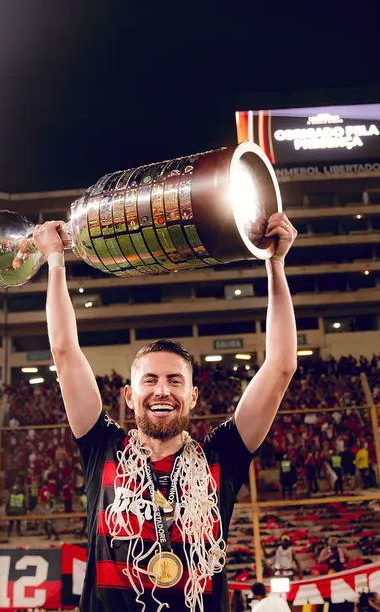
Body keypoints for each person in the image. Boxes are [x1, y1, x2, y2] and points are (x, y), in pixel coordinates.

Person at [39, 213, 299, 612]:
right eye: (150, 380)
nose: (162, 390)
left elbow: (281, 366)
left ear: (192, 396)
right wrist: (56, 262)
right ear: (129, 396)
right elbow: (64, 352)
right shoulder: (102, 447)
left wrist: (275, 264)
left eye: (175, 381)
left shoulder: (221, 456)